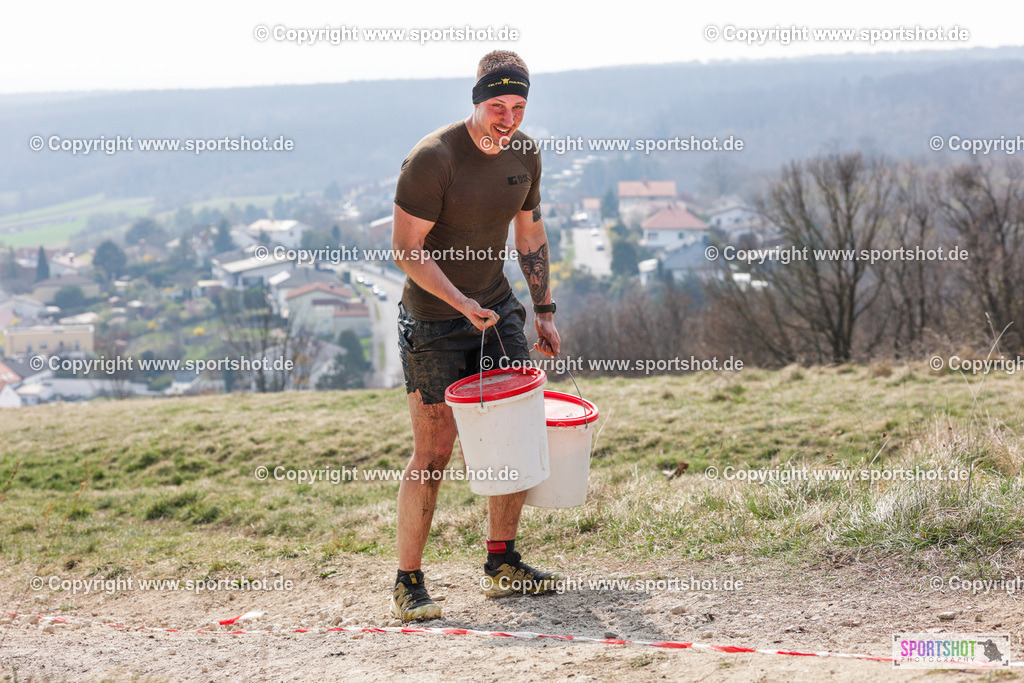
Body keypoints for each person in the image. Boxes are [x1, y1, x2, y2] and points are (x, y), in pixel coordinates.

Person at [389, 50, 563, 622]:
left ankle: (502, 561)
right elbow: (407, 251)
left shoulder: (525, 154)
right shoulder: (433, 159)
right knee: (434, 452)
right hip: (435, 323)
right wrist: (459, 302)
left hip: (496, 311)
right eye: (497, 105)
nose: (508, 118)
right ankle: (408, 580)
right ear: (476, 100)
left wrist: (543, 310)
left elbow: (530, 234)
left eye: (518, 106)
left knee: (513, 436)